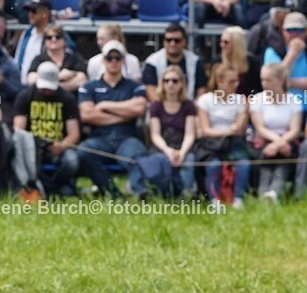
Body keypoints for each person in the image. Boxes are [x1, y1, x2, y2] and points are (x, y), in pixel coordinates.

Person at [76, 40, 148, 197]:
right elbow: (87, 115)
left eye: (117, 57)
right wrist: (124, 114)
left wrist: (105, 105)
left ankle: (141, 193)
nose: (114, 61)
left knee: (137, 153)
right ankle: (112, 193)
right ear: (103, 60)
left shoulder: (135, 86)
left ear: (124, 60)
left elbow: (139, 108)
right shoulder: (89, 86)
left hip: (126, 137)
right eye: (110, 58)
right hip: (100, 137)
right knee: (83, 153)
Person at [13, 61, 81, 197]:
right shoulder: (25, 96)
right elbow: (18, 130)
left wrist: (62, 145)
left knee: (72, 161)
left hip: (58, 147)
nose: (46, 91)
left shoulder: (67, 99)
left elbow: (74, 134)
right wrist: (33, 144)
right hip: (32, 148)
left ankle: (53, 189)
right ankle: (44, 189)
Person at [195, 63, 251, 208]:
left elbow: (240, 129)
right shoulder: (205, 100)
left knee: (244, 165)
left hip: (233, 143)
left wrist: (245, 111)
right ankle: (215, 200)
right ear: (219, 81)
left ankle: (238, 199)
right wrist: (226, 131)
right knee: (213, 165)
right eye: (231, 81)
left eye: (236, 80)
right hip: (211, 144)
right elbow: (205, 129)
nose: (235, 84)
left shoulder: (239, 100)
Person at [250, 62, 301, 202]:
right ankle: (264, 194)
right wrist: (277, 142)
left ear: (280, 80)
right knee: (266, 163)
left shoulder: (294, 100)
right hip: (264, 142)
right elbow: (259, 128)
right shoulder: (257, 99)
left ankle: (275, 193)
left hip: (287, 143)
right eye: (262, 79)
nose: (264, 83)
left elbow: (295, 129)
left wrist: (279, 143)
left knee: (283, 162)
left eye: (268, 80)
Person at [146, 65, 197, 198]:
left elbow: (190, 134)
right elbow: (155, 135)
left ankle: (186, 194)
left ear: (181, 83)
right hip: (162, 146)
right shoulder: (156, 105)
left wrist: (182, 152)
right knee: (161, 160)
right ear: (161, 83)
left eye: (175, 81)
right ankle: (165, 195)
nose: (170, 84)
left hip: (183, 145)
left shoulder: (189, 105)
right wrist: (168, 151)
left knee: (189, 159)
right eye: (166, 80)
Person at [142, 23, 208, 102]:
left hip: (189, 108)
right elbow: (151, 91)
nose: (172, 43)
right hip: (161, 109)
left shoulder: (195, 61)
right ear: (164, 42)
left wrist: (193, 108)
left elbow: (201, 89)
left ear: (184, 42)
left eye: (177, 40)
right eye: (168, 40)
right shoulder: (152, 62)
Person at [264, 10, 307, 115]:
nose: (294, 34)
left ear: (306, 31)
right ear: (283, 31)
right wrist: (292, 54)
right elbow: (273, 80)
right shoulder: (273, 51)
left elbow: (279, 81)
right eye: (290, 30)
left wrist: (287, 82)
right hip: (282, 110)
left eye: (299, 30)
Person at [28, 25, 86, 92]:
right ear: (44, 41)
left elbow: (82, 79)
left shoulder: (74, 58)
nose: (54, 39)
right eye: (49, 37)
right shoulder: (39, 59)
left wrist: (50, 85)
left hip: (70, 99)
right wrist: (59, 76)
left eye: (58, 37)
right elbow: (31, 80)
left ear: (64, 40)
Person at [220, 25, 262, 96]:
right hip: (223, 102)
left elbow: (258, 88)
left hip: (249, 102)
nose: (222, 45)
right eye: (221, 41)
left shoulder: (252, 62)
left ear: (237, 43)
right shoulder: (218, 62)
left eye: (226, 42)